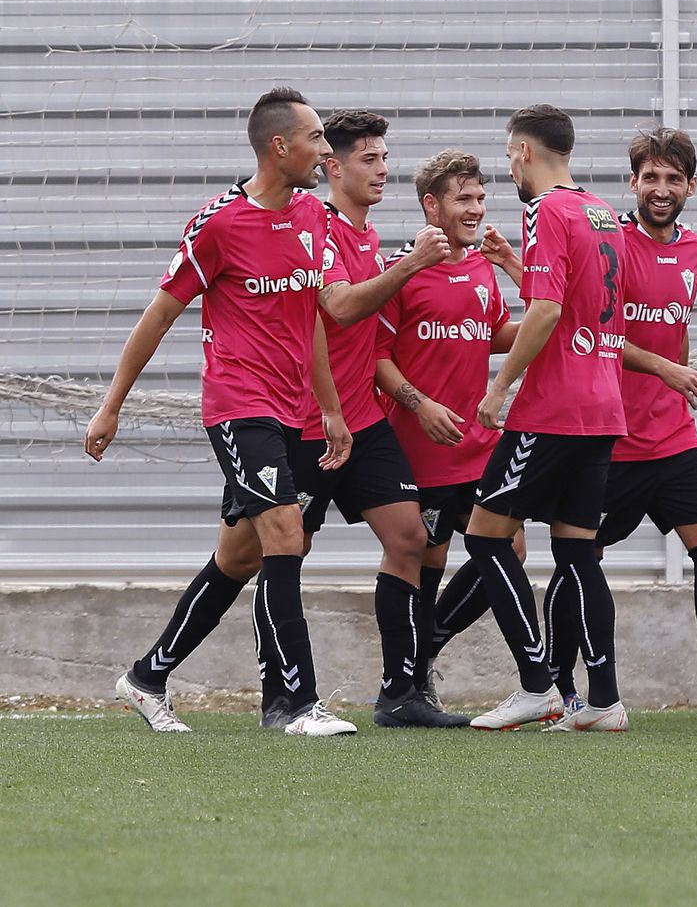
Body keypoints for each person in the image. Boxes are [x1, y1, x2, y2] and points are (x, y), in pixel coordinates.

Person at [86, 87, 356, 736]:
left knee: (239, 559)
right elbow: (159, 316)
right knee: (287, 537)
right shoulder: (219, 224)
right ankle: (297, 702)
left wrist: (331, 408)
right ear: (278, 146)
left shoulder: (316, 218)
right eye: (316, 138)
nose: (325, 151)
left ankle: (148, 676)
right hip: (238, 408)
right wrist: (111, 405)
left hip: (290, 412)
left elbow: (314, 318)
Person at [544, 127, 697, 726]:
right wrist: (667, 371)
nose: (661, 188)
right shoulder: (611, 243)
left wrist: (674, 380)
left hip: (671, 438)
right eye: (649, 177)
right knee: (580, 558)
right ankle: (555, 686)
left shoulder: (693, 250)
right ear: (631, 183)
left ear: (691, 187)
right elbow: (598, 330)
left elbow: (672, 332)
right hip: (611, 437)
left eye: (673, 179)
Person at [272, 109, 469, 729]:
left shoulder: (367, 235)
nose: (383, 170)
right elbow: (339, 306)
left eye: (385, 158)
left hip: (363, 420)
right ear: (332, 166)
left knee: (410, 539)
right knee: (266, 556)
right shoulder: (322, 230)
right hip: (307, 424)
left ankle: (400, 693)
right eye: (369, 159)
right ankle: (260, 689)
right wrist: (411, 265)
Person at [464, 104, 632, 733]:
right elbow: (582, 295)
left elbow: (546, 311)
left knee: (484, 537)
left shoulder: (542, 210)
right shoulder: (602, 212)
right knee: (578, 551)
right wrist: (517, 266)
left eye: (509, 154)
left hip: (554, 407)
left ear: (525, 153)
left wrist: (499, 388)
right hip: (603, 402)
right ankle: (606, 701)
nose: (509, 165)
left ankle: (539, 686)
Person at [372, 150, 522, 710]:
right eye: (464, 199)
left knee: (511, 548)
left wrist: (525, 280)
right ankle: (406, 684)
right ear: (431, 204)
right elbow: (376, 356)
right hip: (423, 448)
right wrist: (420, 403)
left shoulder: (483, 267)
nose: (477, 209)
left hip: (479, 446)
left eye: (481, 198)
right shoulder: (400, 269)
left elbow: (497, 333)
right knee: (426, 558)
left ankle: (427, 642)